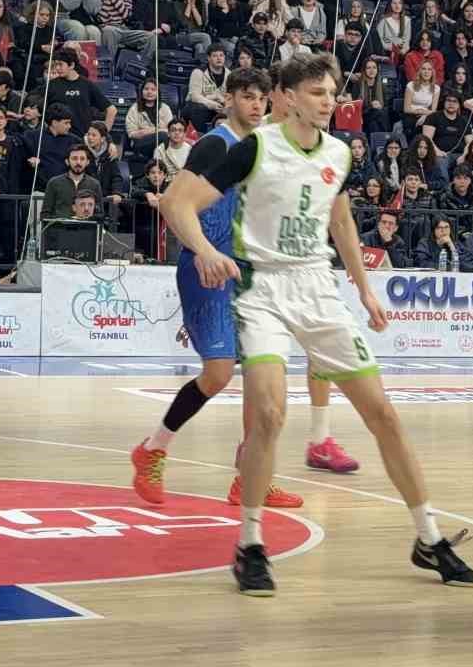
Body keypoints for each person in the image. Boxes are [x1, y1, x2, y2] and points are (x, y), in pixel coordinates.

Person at [159, 53, 473, 596]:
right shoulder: (255, 148)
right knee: (268, 413)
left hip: (316, 287)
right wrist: (207, 251)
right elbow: (176, 203)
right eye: (314, 92)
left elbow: (341, 221)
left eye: (332, 92)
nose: (328, 101)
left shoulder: (338, 152)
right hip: (261, 288)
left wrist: (363, 287)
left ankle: (428, 536)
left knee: (383, 414)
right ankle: (251, 545)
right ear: (285, 97)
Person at [131, 67, 357, 513]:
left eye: (261, 98)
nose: (255, 105)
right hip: (206, 269)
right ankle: (153, 448)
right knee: (217, 374)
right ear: (230, 99)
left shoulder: (268, 143)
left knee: (264, 383)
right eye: (247, 97)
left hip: (247, 274)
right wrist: (200, 251)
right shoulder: (216, 143)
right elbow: (175, 204)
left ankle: (251, 479)